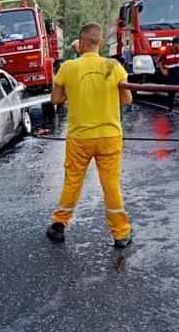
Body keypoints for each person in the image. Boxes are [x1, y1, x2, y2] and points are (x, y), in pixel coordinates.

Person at [46, 23, 133, 248]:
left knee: (72, 182)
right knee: (111, 185)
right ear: (101, 43)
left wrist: (70, 93)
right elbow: (127, 100)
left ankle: (59, 225)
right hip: (109, 136)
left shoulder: (68, 67)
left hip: (79, 138)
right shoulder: (114, 66)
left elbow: (55, 99)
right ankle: (121, 234)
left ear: (81, 43)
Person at [156, 36, 179, 113]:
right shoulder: (166, 51)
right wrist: (162, 69)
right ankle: (170, 109)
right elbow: (158, 61)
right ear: (174, 44)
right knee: (171, 93)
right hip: (172, 75)